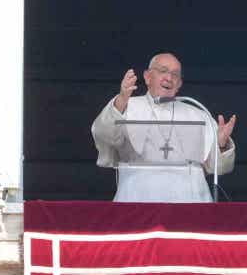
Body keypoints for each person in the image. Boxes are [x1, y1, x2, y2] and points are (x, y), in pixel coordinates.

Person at [91, 53, 237, 202]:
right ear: (147, 77)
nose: (169, 77)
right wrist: (121, 100)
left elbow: (220, 168)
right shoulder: (125, 107)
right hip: (138, 202)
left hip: (190, 204)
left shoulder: (198, 114)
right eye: (163, 71)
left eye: (175, 74)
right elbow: (104, 136)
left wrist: (221, 145)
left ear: (179, 84)